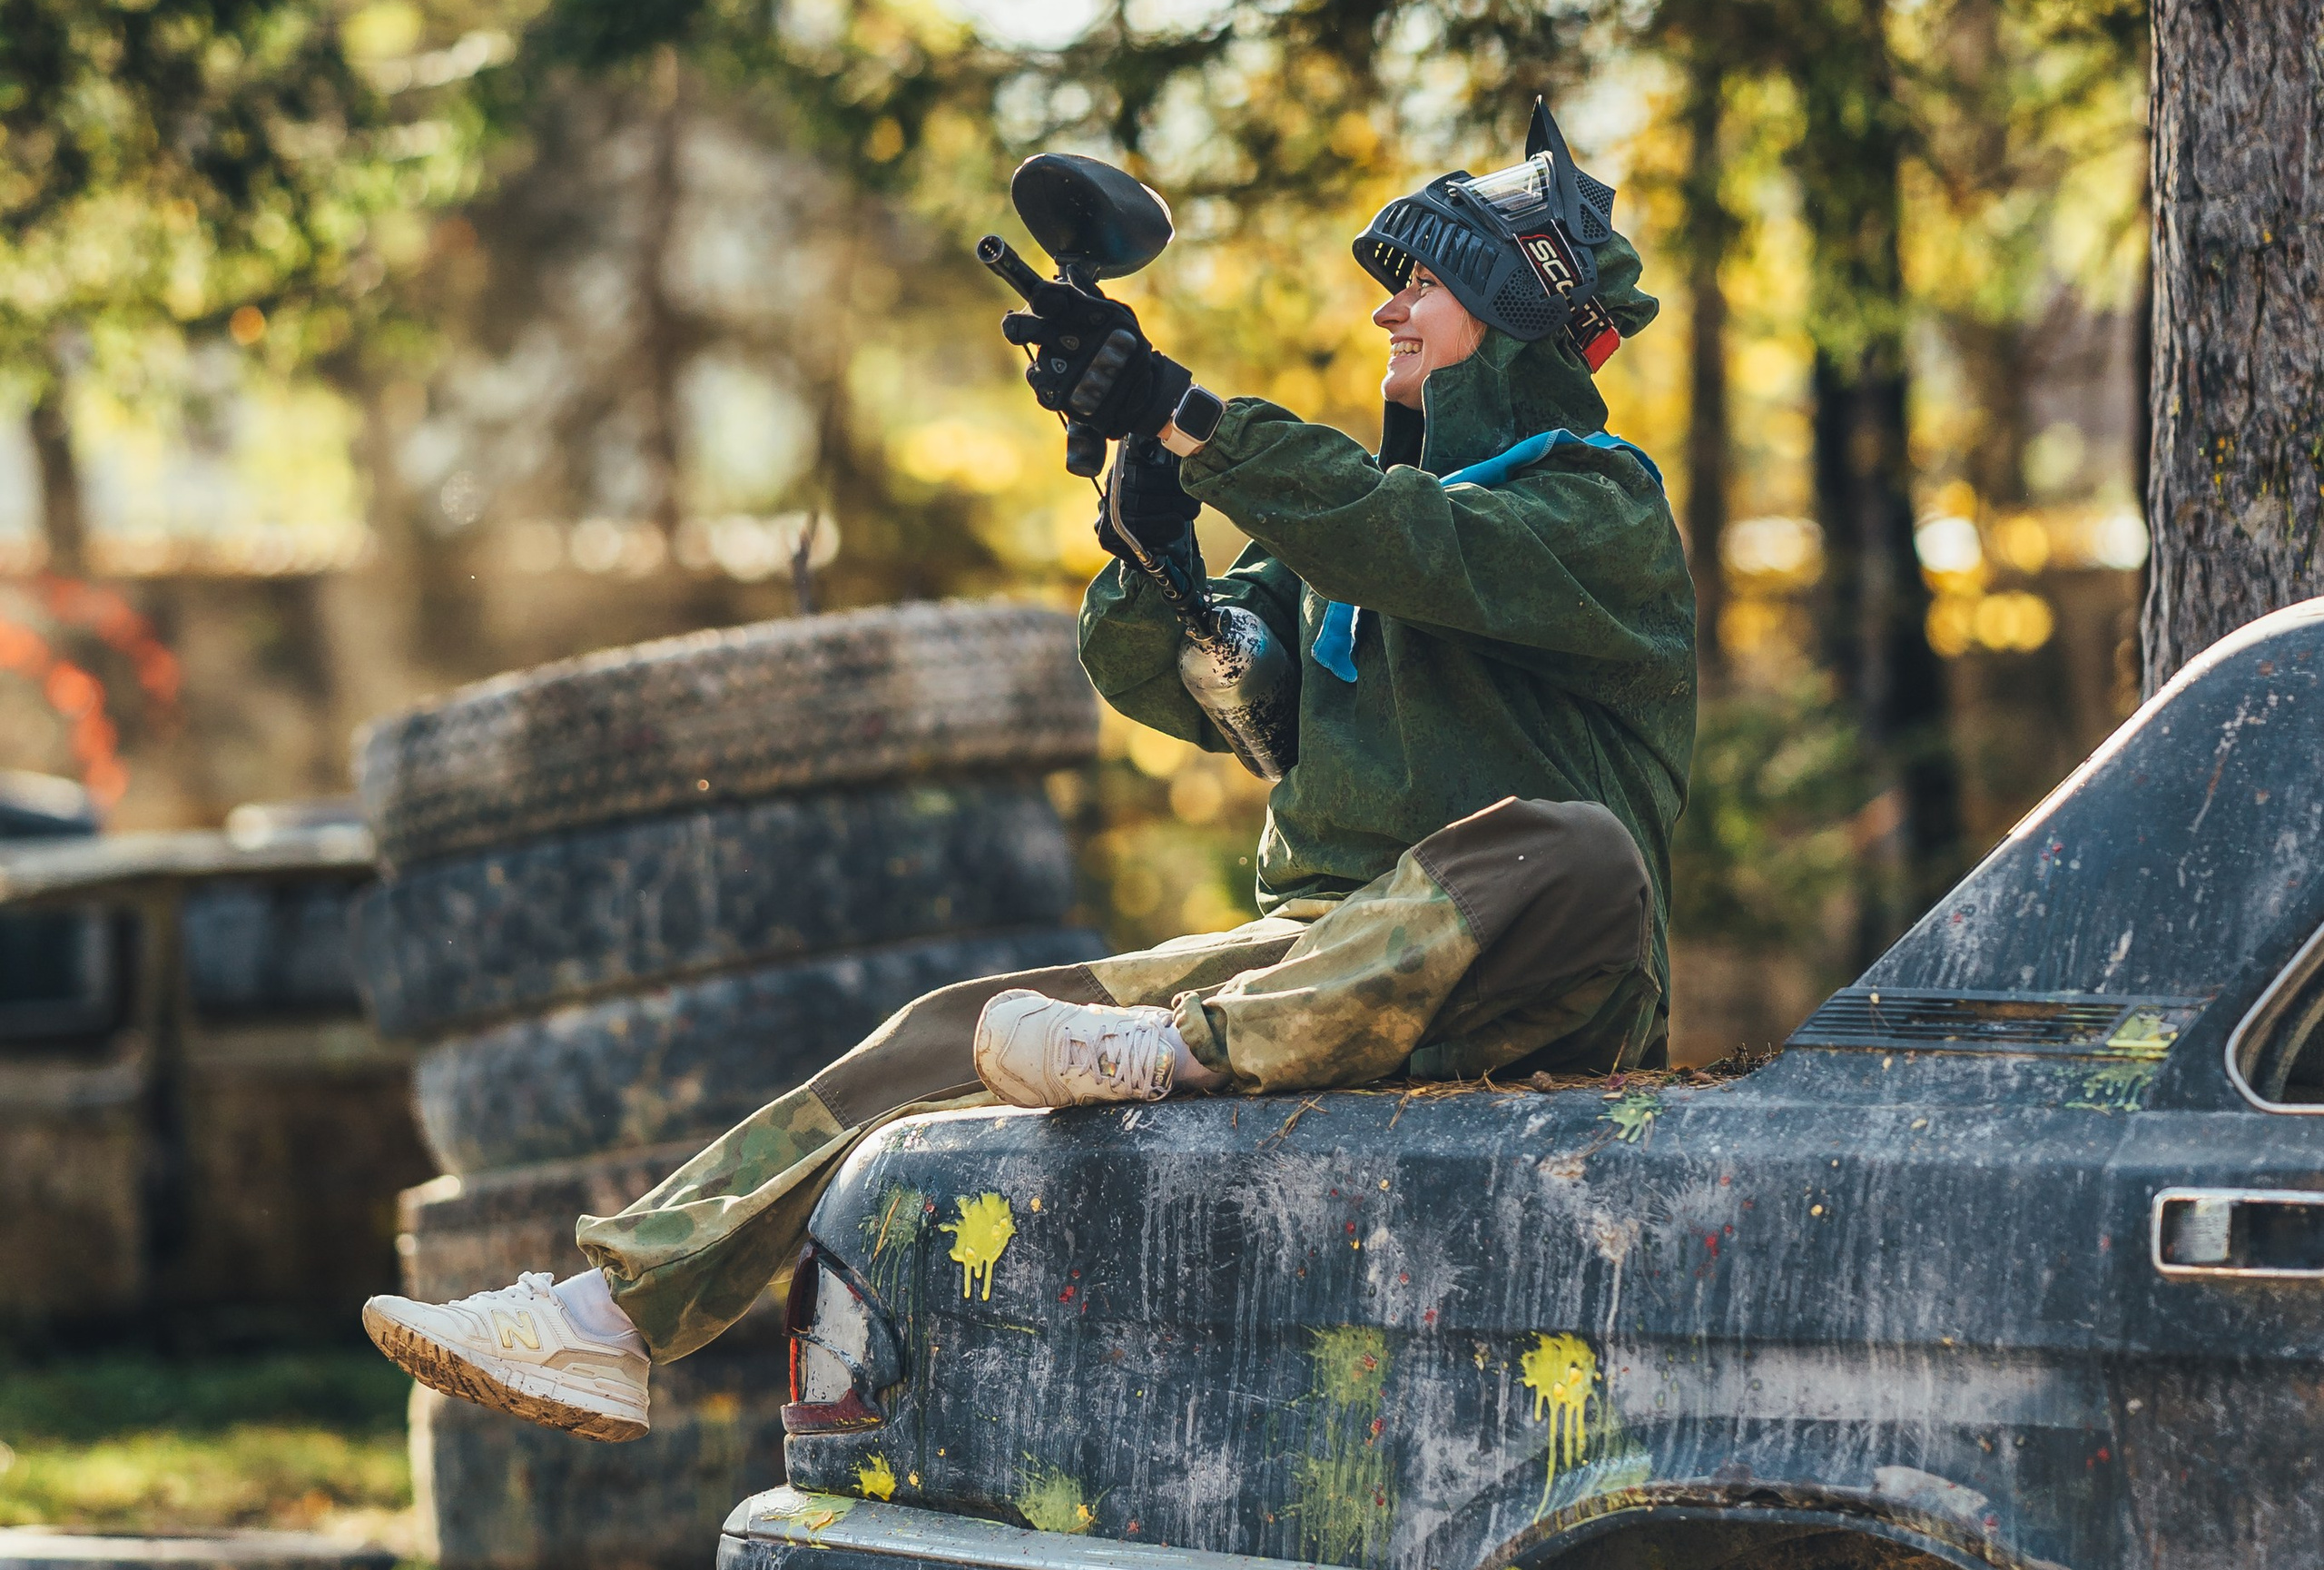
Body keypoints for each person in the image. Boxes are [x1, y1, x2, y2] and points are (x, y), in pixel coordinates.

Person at [361, 107, 1697, 1447]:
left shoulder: (1599, 509)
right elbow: (1195, 678)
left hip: (1531, 977)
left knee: (1578, 850)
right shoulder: (1335, 553)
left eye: (1421, 283)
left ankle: (1180, 1050)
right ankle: (608, 1317)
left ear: (1518, 302)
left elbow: (1407, 538)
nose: (1388, 316)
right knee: (956, 1023)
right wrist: (1152, 538)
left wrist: (1189, 416)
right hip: (1316, 961)